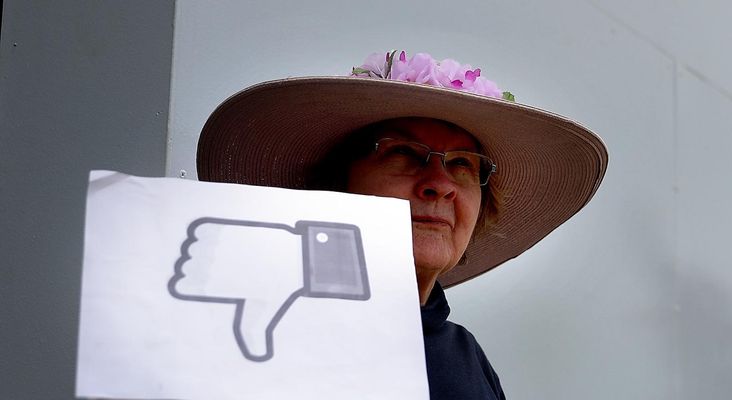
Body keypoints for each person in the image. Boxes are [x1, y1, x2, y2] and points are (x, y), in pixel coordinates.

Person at [194, 50, 608, 399]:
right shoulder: (251, 330)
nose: (440, 185)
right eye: (405, 153)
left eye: (463, 164)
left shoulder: (467, 359)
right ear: (336, 185)